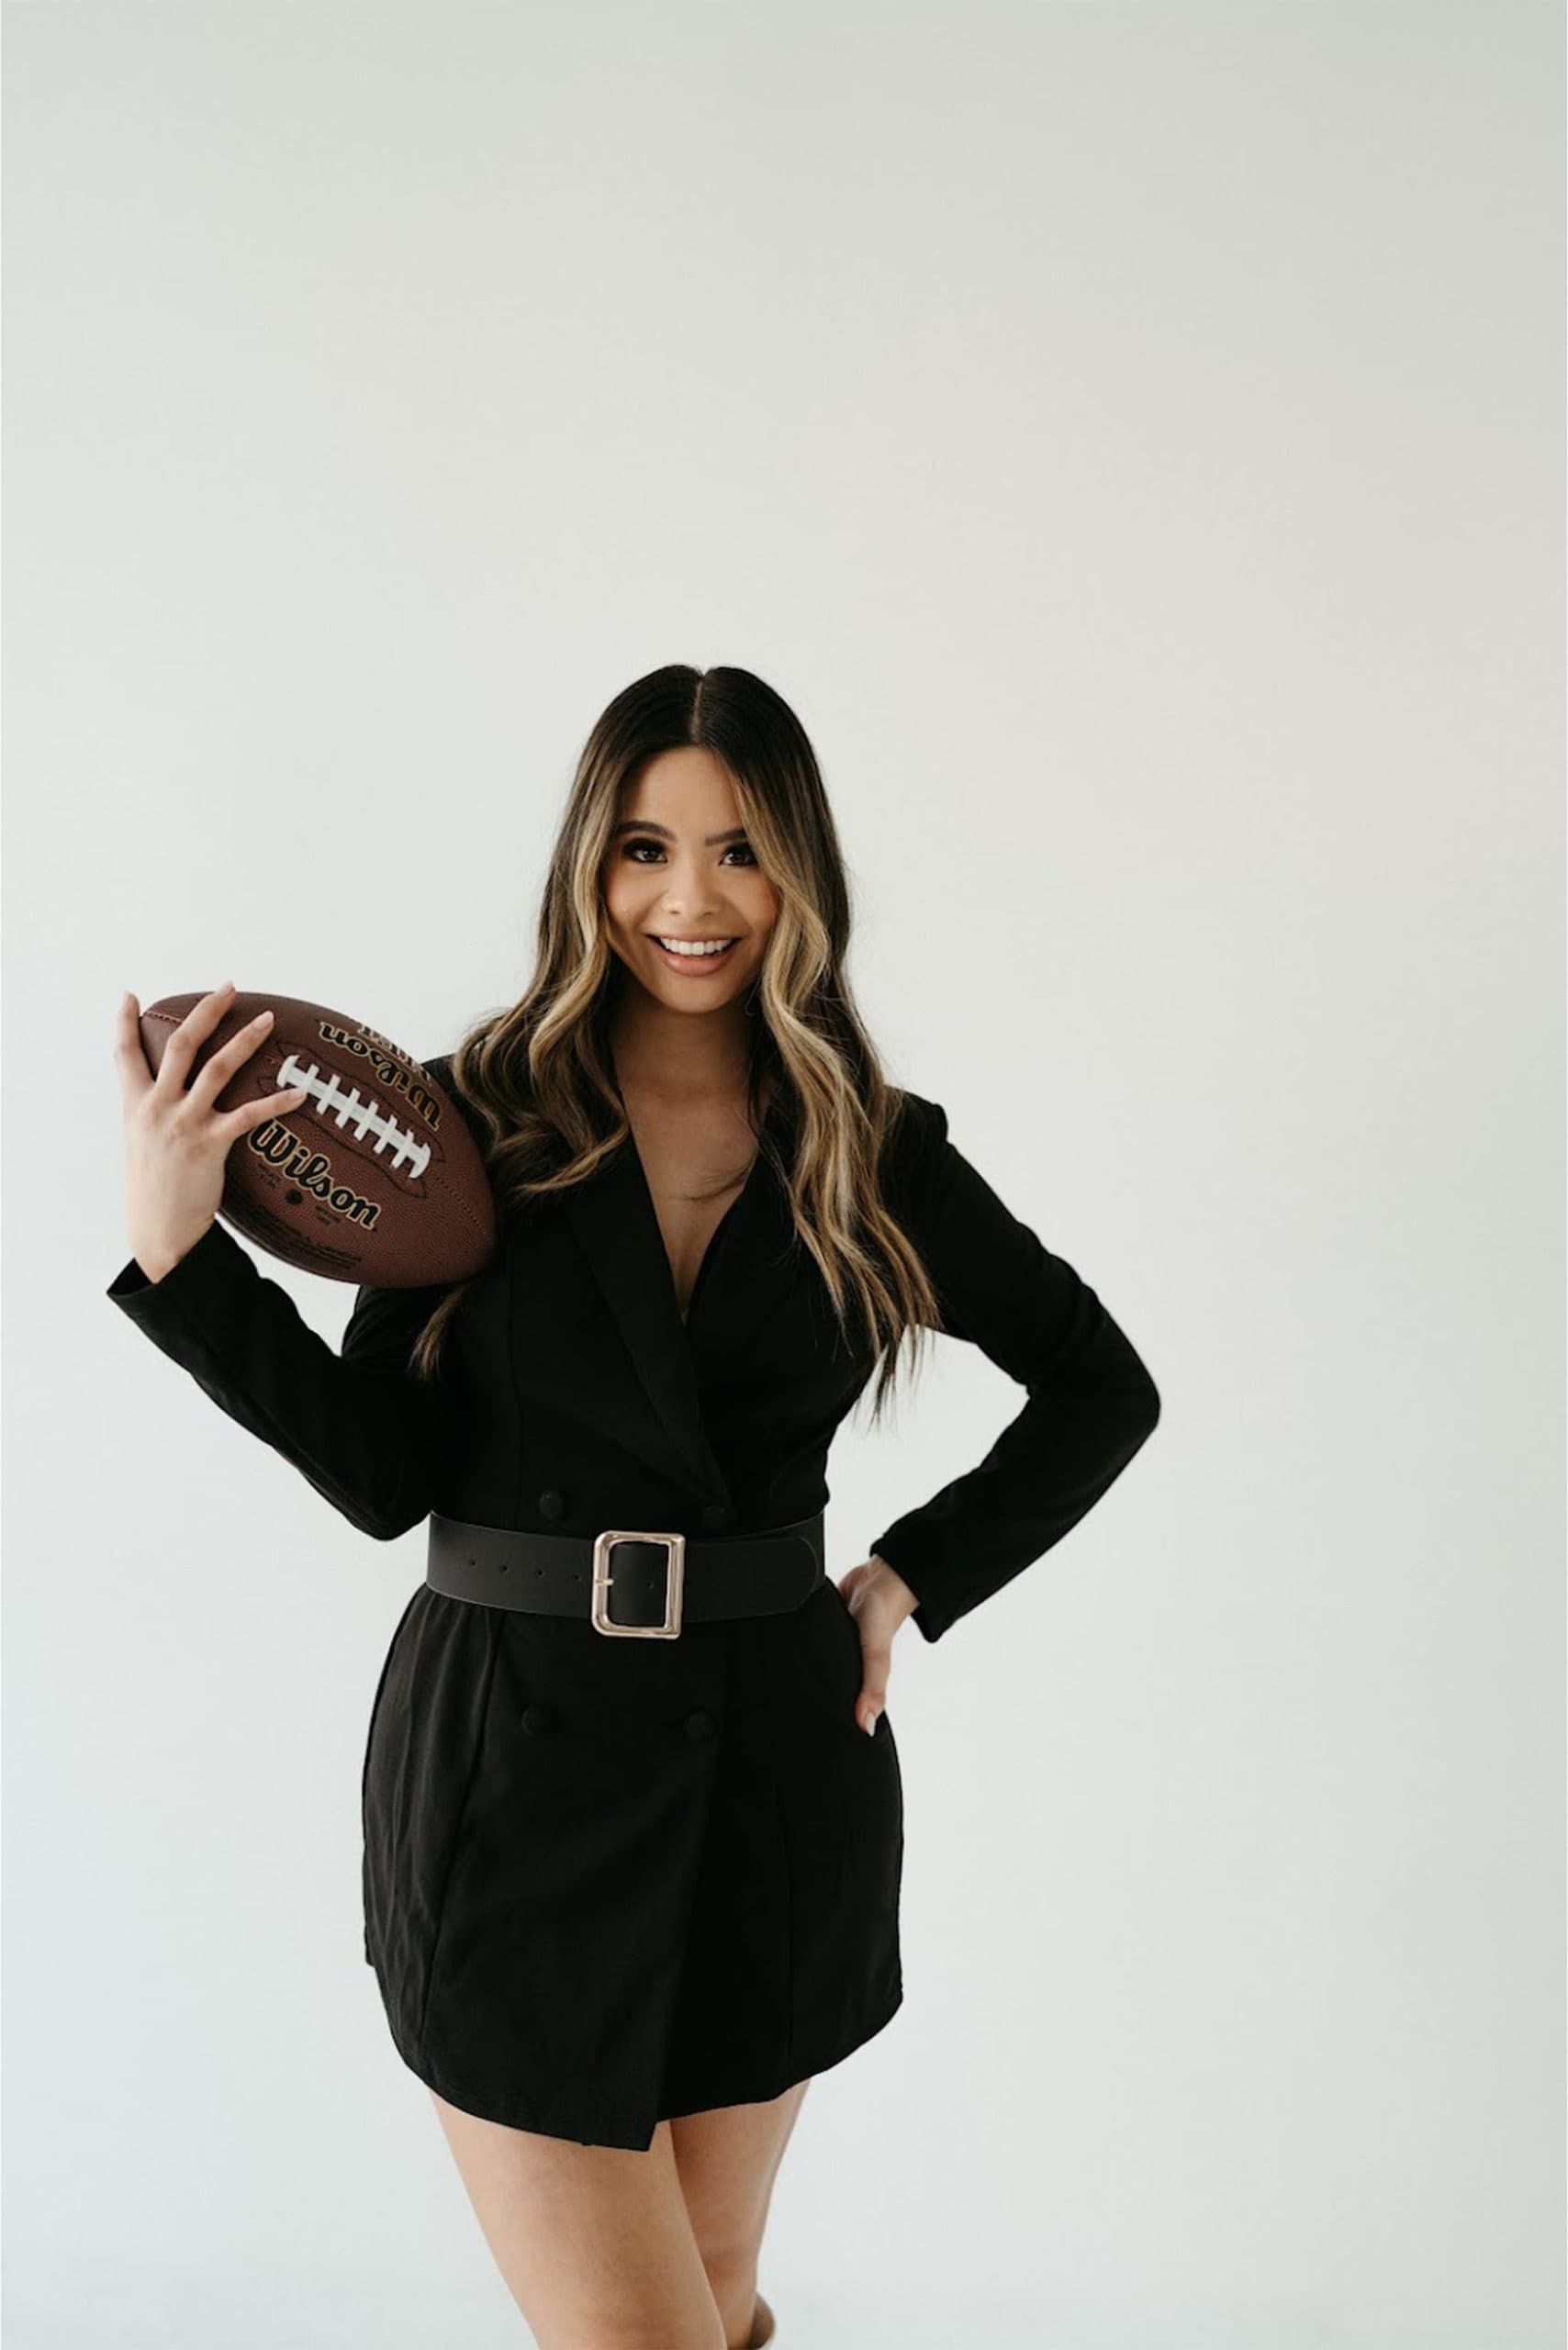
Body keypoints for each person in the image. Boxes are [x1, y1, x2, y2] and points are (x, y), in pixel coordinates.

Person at [108, 662, 1160, 2350]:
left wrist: (909, 1578)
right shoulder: (477, 1126)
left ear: (799, 875)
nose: (690, 900)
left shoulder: (867, 1150)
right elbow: (388, 1475)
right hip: (513, 1783)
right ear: (588, 866)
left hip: (775, 1785)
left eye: (740, 852)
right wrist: (184, 1263)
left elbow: (1104, 1385)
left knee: (719, 2307)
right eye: (647, 848)